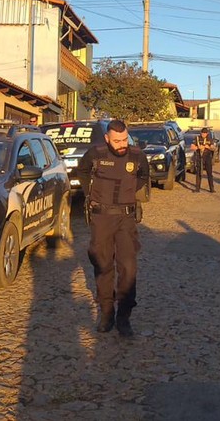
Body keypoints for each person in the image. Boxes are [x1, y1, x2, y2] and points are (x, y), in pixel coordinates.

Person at [77, 119, 150, 338]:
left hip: (126, 219)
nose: (122, 144)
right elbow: (82, 171)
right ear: (107, 139)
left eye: (124, 139)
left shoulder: (137, 155)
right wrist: (91, 195)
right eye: (117, 140)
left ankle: (124, 316)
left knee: (128, 268)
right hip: (101, 218)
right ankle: (107, 312)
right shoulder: (96, 153)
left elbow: (143, 177)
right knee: (103, 265)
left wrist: (127, 193)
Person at [191, 127, 217, 193]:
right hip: (199, 157)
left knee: (209, 173)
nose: (204, 134)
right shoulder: (197, 138)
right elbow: (192, 147)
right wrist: (198, 147)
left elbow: (214, 148)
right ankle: (197, 189)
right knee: (199, 173)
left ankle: (212, 188)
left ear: (207, 133)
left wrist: (208, 147)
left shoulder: (209, 139)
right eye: (203, 133)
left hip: (208, 157)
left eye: (205, 133)